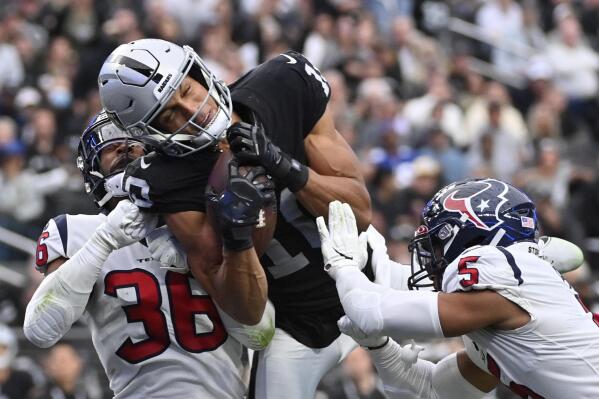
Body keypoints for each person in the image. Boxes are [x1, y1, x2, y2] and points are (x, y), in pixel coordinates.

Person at [97, 38, 372, 398]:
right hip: (298, 331)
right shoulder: (166, 181)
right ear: (151, 134)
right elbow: (247, 310)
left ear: (198, 71)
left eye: (186, 90)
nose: (193, 110)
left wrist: (282, 165)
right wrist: (237, 235)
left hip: (371, 276)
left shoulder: (282, 85)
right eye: (169, 115)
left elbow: (361, 213)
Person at [23, 114, 275, 399]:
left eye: (136, 142)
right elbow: (40, 331)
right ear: (93, 169)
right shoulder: (76, 231)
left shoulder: (209, 223)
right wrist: (104, 241)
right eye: (110, 146)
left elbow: (258, 333)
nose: (125, 148)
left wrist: (206, 255)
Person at [317, 178, 599, 398]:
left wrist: (343, 267)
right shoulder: (509, 297)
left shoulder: (500, 270)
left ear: (472, 236)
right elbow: (431, 392)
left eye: (437, 244)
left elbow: (370, 312)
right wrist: (379, 346)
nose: (431, 258)